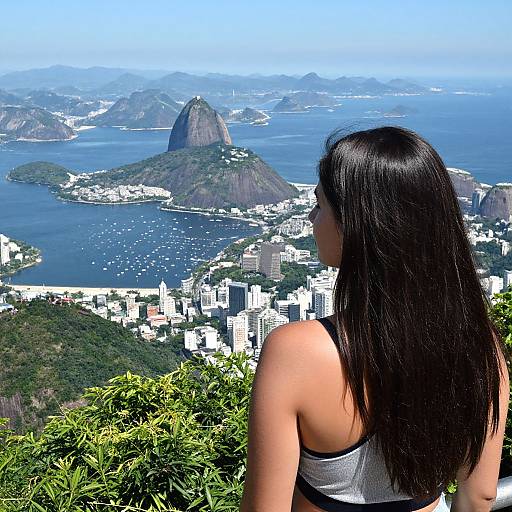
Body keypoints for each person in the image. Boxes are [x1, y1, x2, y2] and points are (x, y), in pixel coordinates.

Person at [239, 126, 509, 512]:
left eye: (320, 205)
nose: (312, 217)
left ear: (356, 223)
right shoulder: (483, 349)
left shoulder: (295, 352)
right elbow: (480, 494)